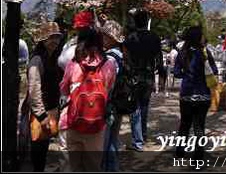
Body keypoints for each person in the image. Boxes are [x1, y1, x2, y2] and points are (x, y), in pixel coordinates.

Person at [60, 28, 117, 172]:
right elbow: (109, 88)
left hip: (70, 121)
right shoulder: (109, 64)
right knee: (93, 166)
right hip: (96, 124)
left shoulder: (73, 64)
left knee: (69, 167)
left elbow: (64, 89)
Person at [58, 10, 96, 168]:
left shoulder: (70, 53)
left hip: (71, 112)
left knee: (69, 161)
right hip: (95, 114)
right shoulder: (103, 57)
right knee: (91, 163)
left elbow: (63, 86)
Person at [174, 26, 218, 160]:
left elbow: (176, 73)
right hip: (203, 94)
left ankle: (180, 152)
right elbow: (214, 71)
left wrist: (186, 74)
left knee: (185, 124)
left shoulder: (182, 53)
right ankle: (198, 155)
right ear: (199, 37)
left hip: (186, 94)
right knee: (199, 126)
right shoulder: (205, 53)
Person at [27, 21, 63, 172]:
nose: (54, 41)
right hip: (41, 113)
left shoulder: (54, 57)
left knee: (44, 146)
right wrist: (42, 116)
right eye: (50, 37)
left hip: (52, 109)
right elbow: (34, 90)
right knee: (38, 151)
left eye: (56, 37)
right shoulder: (37, 60)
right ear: (43, 40)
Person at [125, 9, 163, 150]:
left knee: (134, 107)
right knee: (145, 106)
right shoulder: (154, 37)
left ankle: (138, 140)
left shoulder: (130, 38)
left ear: (135, 21)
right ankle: (143, 134)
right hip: (148, 76)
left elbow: (126, 58)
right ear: (147, 21)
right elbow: (159, 59)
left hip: (134, 76)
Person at [100, 20, 126, 172]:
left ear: (110, 38)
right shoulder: (122, 55)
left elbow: (107, 85)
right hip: (119, 103)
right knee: (113, 141)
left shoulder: (110, 58)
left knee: (106, 143)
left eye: (105, 35)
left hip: (110, 105)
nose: (102, 38)